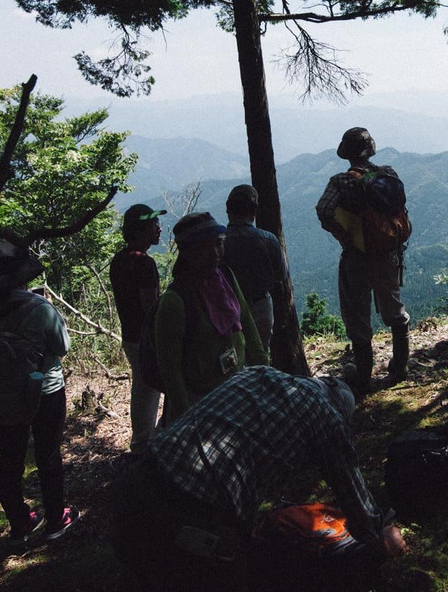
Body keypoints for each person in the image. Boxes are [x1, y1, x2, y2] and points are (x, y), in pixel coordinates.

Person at [111, 365, 407, 591]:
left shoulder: (257, 374)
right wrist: (380, 537)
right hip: (191, 521)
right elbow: (353, 495)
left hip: (132, 492)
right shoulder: (327, 417)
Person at [0, 241, 79, 545]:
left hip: (1, 395)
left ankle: (20, 523)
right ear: (23, 276)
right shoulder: (40, 308)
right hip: (45, 389)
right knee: (48, 454)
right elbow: (62, 348)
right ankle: (56, 518)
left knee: (10, 459)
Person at [316, 127, 410, 396]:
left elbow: (323, 209)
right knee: (395, 310)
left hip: (357, 256)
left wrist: (344, 236)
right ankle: (400, 367)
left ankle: (364, 377)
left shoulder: (341, 182)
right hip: (388, 254)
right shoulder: (389, 173)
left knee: (357, 316)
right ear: (370, 150)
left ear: (347, 154)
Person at [153, 212, 268, 424]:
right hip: (201, 399)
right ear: (187, 252)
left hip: (236, 383)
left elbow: (247, 323)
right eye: (205, 247)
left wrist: (264, 370)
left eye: (218, 244)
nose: (215, 253)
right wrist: (186, 416)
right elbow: (170, 370)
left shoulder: (225, 277)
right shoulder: (175, 300)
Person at [109, 203, 166, 455]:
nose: (159, 229)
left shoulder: (119, 260)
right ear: (140, 229)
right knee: (150, 389)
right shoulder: (144, 263)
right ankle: (144, 445)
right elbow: (151, 307)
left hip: (129, 335)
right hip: (146, 338)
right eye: (153, 224)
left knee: (143, 387)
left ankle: (144, 442)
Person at [222, 184, 288, 358]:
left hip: (225, 307)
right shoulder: (269, 240)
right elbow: (281, 275)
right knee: (260, 353)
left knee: (232, 357)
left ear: (228, 209)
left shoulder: (218, 243)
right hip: (261, 306)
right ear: (254, 211)